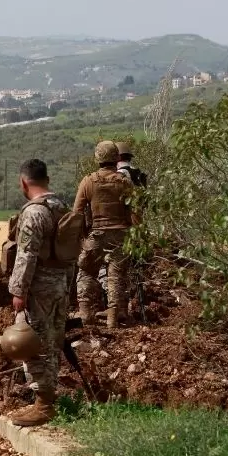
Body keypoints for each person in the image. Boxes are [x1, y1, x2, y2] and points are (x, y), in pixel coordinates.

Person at [7, 158, 73, 427]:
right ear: (47, 178)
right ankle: (48, 397)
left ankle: (43, 404)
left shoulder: (34, 213)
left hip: (39, 289)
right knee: (54, 341)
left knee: (32, 343)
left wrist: (18, 290)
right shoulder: (61, 207)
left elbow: (26, 255)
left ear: (24, 182)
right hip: (61, 285)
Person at [74, 140, 135, 328]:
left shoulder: (88, 181)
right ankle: (113, 317)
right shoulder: (125, 182)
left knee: (86, 271)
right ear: (116, 158)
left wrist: (83, 236)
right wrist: (135, 234)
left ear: (97, 158)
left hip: (96, 235)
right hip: (120, 235)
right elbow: (135, 211)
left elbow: (77, 212)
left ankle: (85, 314)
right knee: (116, 275)